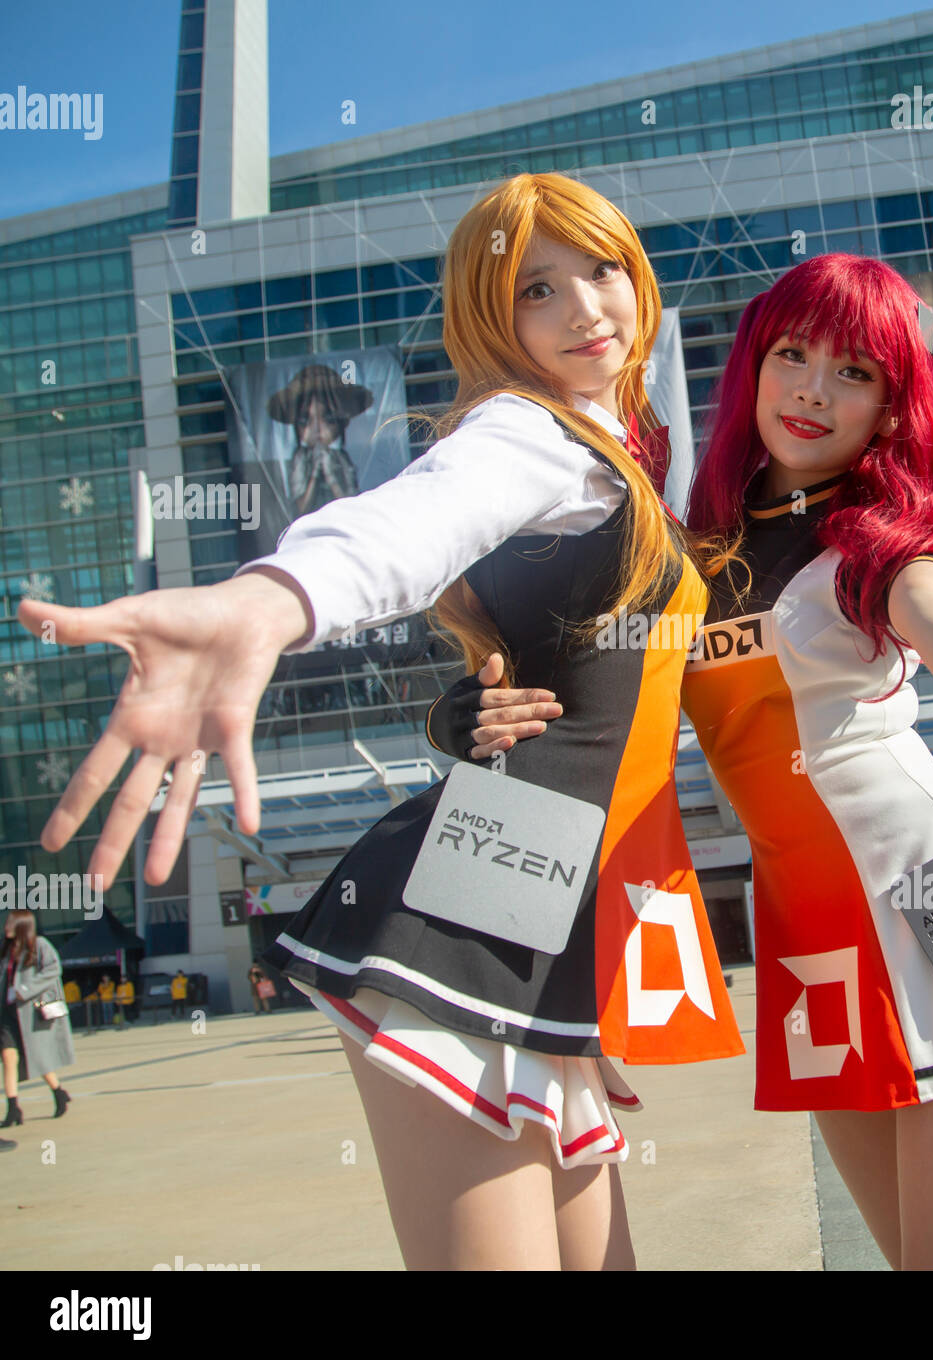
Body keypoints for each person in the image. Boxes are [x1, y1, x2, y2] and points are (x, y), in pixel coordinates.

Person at [18, 172, 743, 1271]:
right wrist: (263, 603)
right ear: (494, 322)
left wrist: (479, 720)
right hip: (476, 900)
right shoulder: (528, 434)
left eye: (600, 268)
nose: (586, 306)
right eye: (537, 289)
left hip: (544, 898)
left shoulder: (619, 457)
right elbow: (407, 523)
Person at [453, 253, 933, 1269]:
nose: (815, 390)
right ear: (752, 367)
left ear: (893, 404)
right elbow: (593, 693)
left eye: (856, 371)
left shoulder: (877, 545)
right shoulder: (689, 555)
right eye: (792, 354)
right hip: (804, 927)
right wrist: (479, 708)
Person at [1, 911, 75, 1124]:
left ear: (22, 925)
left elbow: (53, 969)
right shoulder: (5, 948)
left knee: (38, 1057)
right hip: (7, 1013)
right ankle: (13, 1109)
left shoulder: (39, 945)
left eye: (10, 923)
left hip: (29, 1013)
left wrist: (25, 989)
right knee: (8, 1059)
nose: (6, 927)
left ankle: (58, 1091)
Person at [268, 364, 368, 517]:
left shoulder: (340, 457)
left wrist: (331, 476)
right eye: (305, 421)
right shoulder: (301, 458)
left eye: (328, 419)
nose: (317, 429)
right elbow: (300, 507)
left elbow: (351, 502)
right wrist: (314, 474)